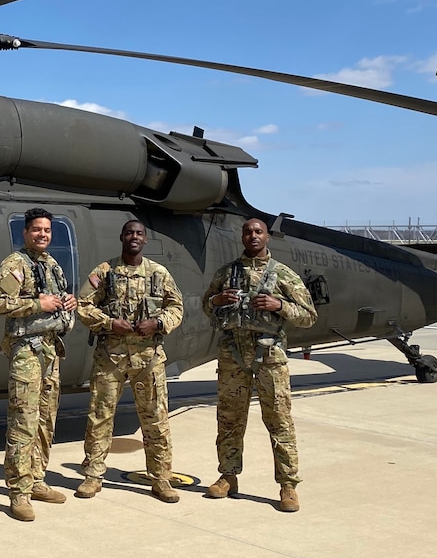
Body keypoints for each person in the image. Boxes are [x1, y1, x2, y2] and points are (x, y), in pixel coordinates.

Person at [203, 217, 317, 512]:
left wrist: (279, 306)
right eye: (248, 232)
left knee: (279, 421)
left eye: (258, 231)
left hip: (269, 358)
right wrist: (218, 299)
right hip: (233, 356)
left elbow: (308, 315)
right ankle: (228, 476)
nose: (253, 236)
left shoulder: (282, 275)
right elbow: (206, 306)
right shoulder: (227, 273)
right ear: (242, 237)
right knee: (229, 419)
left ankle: (288, 485)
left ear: (267, 237)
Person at [75, 219, 185, 503]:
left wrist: (158, 323)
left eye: (139, 233)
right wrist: (109, 323)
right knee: (100, 416)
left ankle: (160, 478)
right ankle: (93, 475)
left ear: (145, 240)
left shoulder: (159, 273)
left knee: (156, 420)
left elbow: (176, 308)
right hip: (110, 359)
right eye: (129, 233)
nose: (134, 237)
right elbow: (83, 305)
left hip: (148, 360)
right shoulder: (104, 272)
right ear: (121, 237)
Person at [0, 207, 77, 522]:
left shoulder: (51, 265)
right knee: (23, 421)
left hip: (51, 351)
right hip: (27, 351)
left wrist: (69, 302)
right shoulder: (15, 264)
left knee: (46, 420)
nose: (43, 234)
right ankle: (18, 492)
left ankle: (37, 478)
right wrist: (36, 303)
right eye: (37, 230)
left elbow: (59, 298)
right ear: (26, 233)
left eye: (47, 230)